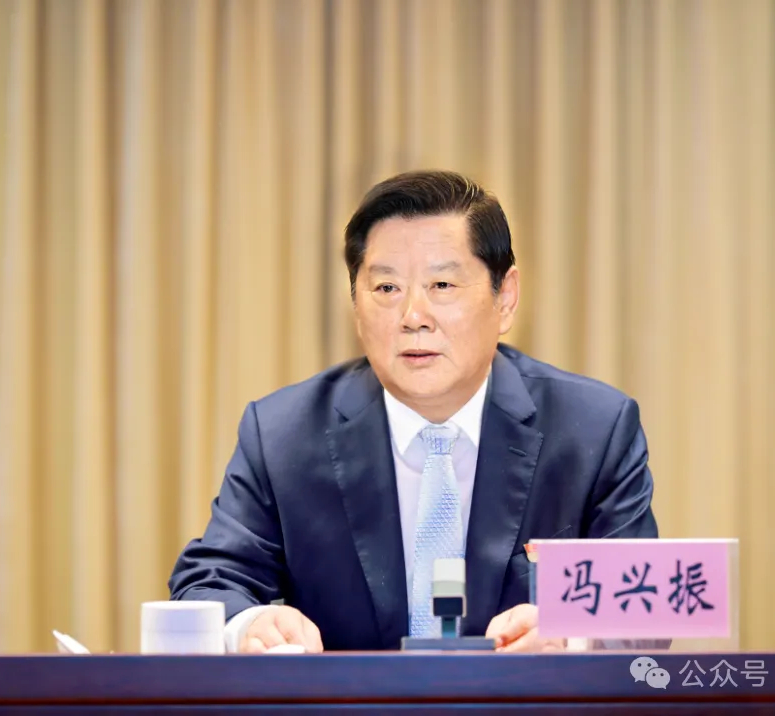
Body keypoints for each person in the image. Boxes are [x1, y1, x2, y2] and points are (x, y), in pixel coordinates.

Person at [168, 170, 658, 653]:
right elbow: (208, 582)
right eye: (387, 289)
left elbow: (646, 608)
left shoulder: (592, 430)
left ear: (505, 298)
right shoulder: (284, 436)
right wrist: (254, 622)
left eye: (442, 284)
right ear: (355, 304)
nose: (413, 317)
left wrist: (571, 634)